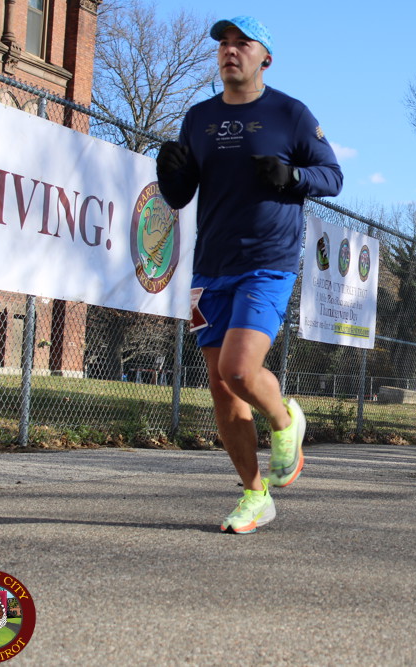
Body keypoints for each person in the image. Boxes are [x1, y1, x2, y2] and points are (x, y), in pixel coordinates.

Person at [156, 16, 343, 534]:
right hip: (211, 267)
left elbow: (333, 176)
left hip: (267, 261)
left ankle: (285, 420)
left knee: (239, 370)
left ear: (266, 58)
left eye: (242, 43)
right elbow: (179, 196)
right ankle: (255, 496)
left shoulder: (290, 113)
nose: (230, 50)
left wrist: (293, 176)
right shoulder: (199, 118)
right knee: (222, 389)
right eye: (223, 43)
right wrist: (169, 171)